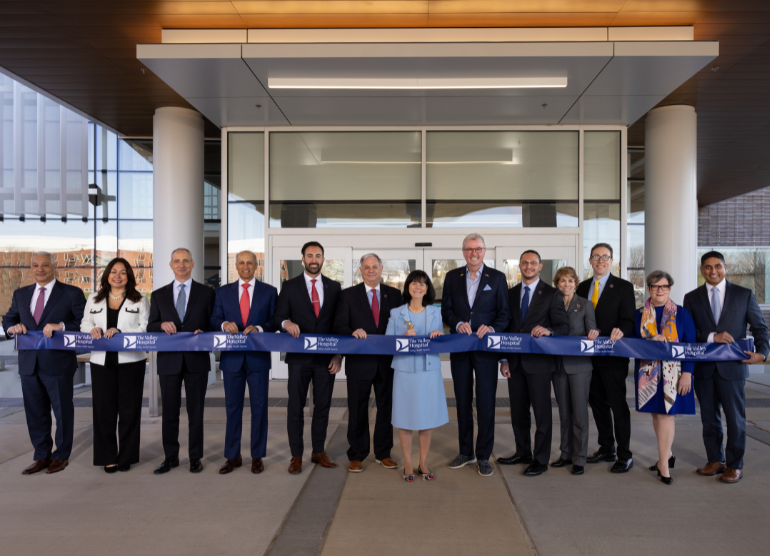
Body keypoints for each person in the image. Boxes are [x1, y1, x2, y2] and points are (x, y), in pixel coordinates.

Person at [683, 251, 769, 484]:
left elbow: (760, 329)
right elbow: (689, 334)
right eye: (708, 267)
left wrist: (762, 354)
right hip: (704, 369)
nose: (713, 271)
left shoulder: (744, 295)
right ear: (702, 270)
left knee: (735, 419)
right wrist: (712, 336)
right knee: (709, 419)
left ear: (725, 267)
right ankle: (715, 461)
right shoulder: (691, 298)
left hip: (733, 368)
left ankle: (735, 465)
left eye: (717, 266)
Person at [2, 251, 86, 475]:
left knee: (62, 412)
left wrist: (62, 325)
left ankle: (61, 455)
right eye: (36, 265)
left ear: (54, 266)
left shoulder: (71, 293)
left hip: (58, 363)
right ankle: (41, 455)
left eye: (45, 265)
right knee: (35, 413)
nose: (40, 269)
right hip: (29, 364)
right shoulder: (21, 294)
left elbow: (83, 322)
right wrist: (12, 328)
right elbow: (9, 318)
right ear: (32, 268)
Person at [441, 233, 511, 477]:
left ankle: (483, 455)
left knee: (485, 403)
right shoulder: (452, 277)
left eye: (478, 249)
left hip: (485, 351)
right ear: (463, 252)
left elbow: (504, 314)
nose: (474, 253)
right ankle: (465, 451)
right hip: (460, 349)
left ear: (484, 251)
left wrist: (492, 328)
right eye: (469, 249)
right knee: (461, 401)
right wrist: (457, 322)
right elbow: (446, 310)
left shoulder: (498, 278)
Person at [274, 241, 342, 474]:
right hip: (299, 359)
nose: (314, 259)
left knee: (322, 407)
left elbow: (339, 325)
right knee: (296, 407)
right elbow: (278, 316)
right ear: (303, 259)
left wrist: (338, 354)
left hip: (326, 360)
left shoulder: (335, 287)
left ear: (324, 259)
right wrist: (286, 323)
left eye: (318, 255)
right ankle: (296, 456)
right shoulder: (290, 286)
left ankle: (318, 451)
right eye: (310, 255)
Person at [498, 250, 568, 477]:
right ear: (519, 266)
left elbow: (563, 327)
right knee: (518, 413)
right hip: (515, 363)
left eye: (533, 263)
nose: (528, 266)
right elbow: (508, 327)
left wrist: (549, 331)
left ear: (540, 267)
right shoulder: (510, 293)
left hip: (539, 364)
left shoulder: (551, 294)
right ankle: (523, 452)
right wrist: (505, 358)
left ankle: (540, 459)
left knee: (542, 414)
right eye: (525, 263)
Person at [147, 248, 215, 475]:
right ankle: (171, 457)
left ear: (192, 263)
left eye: (185, 260)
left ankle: (195, 457)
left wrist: (204, 330)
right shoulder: (158, 295)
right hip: (169, 360)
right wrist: (161, 325)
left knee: (196, 412)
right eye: (177, 261)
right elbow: (151, 325)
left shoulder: (207, 293)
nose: (182, 264)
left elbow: (214, 323)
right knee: (170, 412)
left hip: (196, 359)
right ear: (171, 265)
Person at [211, 250, 277, 475]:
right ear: (236, 266)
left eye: (250, 262)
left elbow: (274, 321)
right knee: (233, 409)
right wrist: (223, 324)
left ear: (256, 266)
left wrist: (259, 328)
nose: (245, 266)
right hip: (232, 360)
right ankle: (233, 456)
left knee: (259, 409)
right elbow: (214, 318)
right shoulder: (222, 292)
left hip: (258, 359)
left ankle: (257, 456)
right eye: (241, 263)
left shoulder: (269, 292)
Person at [334, 253, 402, 473]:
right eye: (366, 267)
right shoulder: (348, 295)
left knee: (386, 410)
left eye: (375, 266)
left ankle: (383, 453)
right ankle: (357, 455)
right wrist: (352, 331)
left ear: (381, 269)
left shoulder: (395, 295)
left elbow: (402, 324)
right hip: (359, 363)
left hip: (387, 364)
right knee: (357, 410)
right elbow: (339, 326)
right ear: (360, 270)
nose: (371, 270)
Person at [81, 257, 150, 473]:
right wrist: (91, 330)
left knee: (129, 412)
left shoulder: (139, 299)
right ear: (107, 275)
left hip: (131, 362)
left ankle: (126, 456)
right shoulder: (93, 298)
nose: (117, 276)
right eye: (113, 271)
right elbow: (84, 324)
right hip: (101, 362)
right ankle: (107, 457)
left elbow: (144, 328)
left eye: (122, 272)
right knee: (104, 411)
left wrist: (121, 333)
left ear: (129, 275)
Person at [576, 243, 636, 473]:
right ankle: (606, 448)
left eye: (605, 257)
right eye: (596, 257)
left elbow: (629, 319)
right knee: (597, 404)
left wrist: (621, 329)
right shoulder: (581, 287)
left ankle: (624, 454)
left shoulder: (623, 287)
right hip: (587, 358)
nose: (600, 260)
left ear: (612, 261)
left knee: (617, 405)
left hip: (612, 357)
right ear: (590, 261)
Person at [633, 271, 696, 485]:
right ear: (649, 288)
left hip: (675, 373)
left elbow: (690, 346)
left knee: (667, 415)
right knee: (656, 415)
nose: (660, 290)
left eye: (664, 286)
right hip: (648, 373)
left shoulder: (681, 313)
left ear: (670, 288)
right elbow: (634, 343)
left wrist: (687, 373)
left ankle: (664, 465)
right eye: (655, 286)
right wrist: (651, 339)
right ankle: (667, 454)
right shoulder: (639, 313)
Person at [386, 270, 448, 482]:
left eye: (422, 284)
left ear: (427, 288)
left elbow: (439, 338)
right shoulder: (396, 313)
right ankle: (408, 464)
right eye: (413, 283)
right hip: (405, 372)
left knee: (426, 418)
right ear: (408, 287)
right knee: (405, 418)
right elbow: (387, 344)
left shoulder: (435, 313)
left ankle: (423, 462)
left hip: (428, 372)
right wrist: (403, 339)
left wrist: (439, 335)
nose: (417, 287)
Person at [550, 266, 599, 476]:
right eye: (562, 281)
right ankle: (566, 453)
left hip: (579, 366)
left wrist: (594, 333)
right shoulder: (552, 303)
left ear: (576, 284)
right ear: (557, 284)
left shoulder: (586, 305)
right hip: (558, 365)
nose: (566, 285)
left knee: (579, 413)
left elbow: (591, 329)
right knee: (564, 413)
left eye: (570, 281)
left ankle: (579, 458)